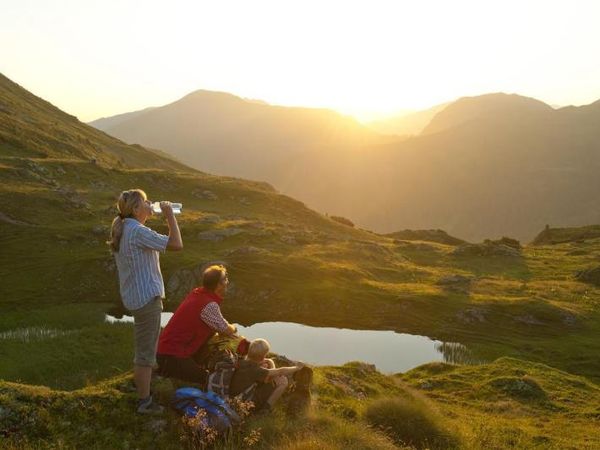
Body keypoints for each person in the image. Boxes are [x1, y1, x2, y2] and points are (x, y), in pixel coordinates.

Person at [108, 189, 183, 415]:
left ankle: (146, 386)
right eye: (146, 202)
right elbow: (176, 244)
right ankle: (145, 402)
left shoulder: (126, 228)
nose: (151, 204)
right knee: (144, 354)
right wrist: (169, 214)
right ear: (136, 209)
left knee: (147, 347)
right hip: (145, 300)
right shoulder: (137, 231)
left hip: (136, 297)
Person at [156, 265, 237, 383]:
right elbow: (225, 329)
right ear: (218, 285)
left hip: (166, 352)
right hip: (173, 356)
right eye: (225, 279)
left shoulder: (197, 293)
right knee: (208, 379)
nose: (227, 281)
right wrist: (234, 328)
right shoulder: (208, 305)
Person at [229, 338, 304, 413]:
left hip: (234, 396)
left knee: (266, 368)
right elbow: (280, 371)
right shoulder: (257, 370)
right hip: (246, 403)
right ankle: (265, 409)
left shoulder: (241, 361)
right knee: (283, 381)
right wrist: (297, 367)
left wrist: (266, 363)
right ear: (262, 357)